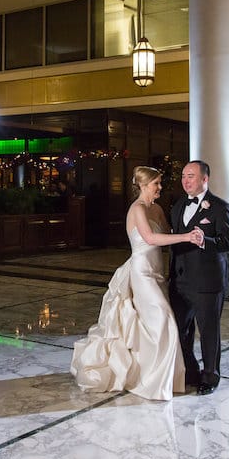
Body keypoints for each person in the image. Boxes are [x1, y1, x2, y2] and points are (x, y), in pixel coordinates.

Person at [71, 166, 201, 400]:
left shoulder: (157, 209)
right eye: (156, 183)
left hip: (158, 273)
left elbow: (168, 232)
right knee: (163, 320)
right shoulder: (137, 209)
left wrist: (197, 223)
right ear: (142, 185)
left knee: (151, 326)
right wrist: (186, 237)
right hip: (142, 274)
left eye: (160, 183)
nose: (160, 187)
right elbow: (151, 238)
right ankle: (154, 382)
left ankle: (155, 376)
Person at [168, 160, 229, 396]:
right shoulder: (178, 206)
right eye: (183, 176)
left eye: (191, 176)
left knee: (208, 332)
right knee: (180, 330)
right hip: (180, 281)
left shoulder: (220, 207)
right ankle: (190, 371)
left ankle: (210, 376)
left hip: (207, 282)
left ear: (204, 179)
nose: (185, 181)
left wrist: (204, 241)